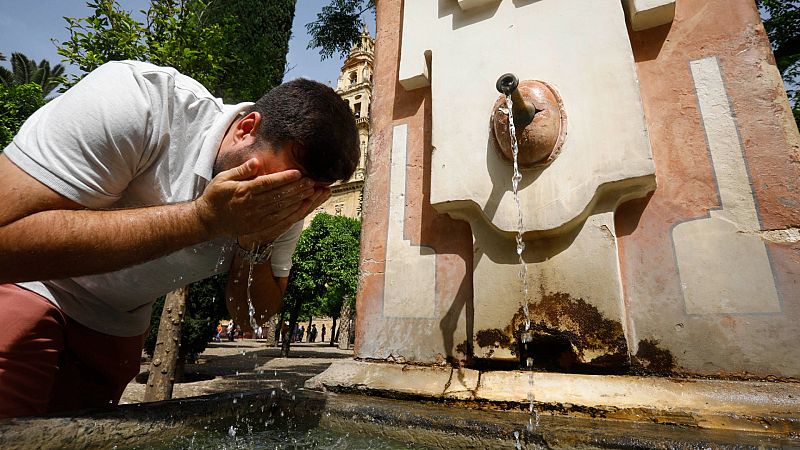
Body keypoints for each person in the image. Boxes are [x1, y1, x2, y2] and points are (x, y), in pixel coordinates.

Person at [0, 60, 359, 418]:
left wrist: (256, 244)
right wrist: (204, 219)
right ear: (247, 128)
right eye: (285, 180)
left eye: (307, 191)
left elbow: (254, 315)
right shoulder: (141, 100)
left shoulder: (287, 199)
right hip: (29, 290)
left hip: (116, 329)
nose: (284, 196)